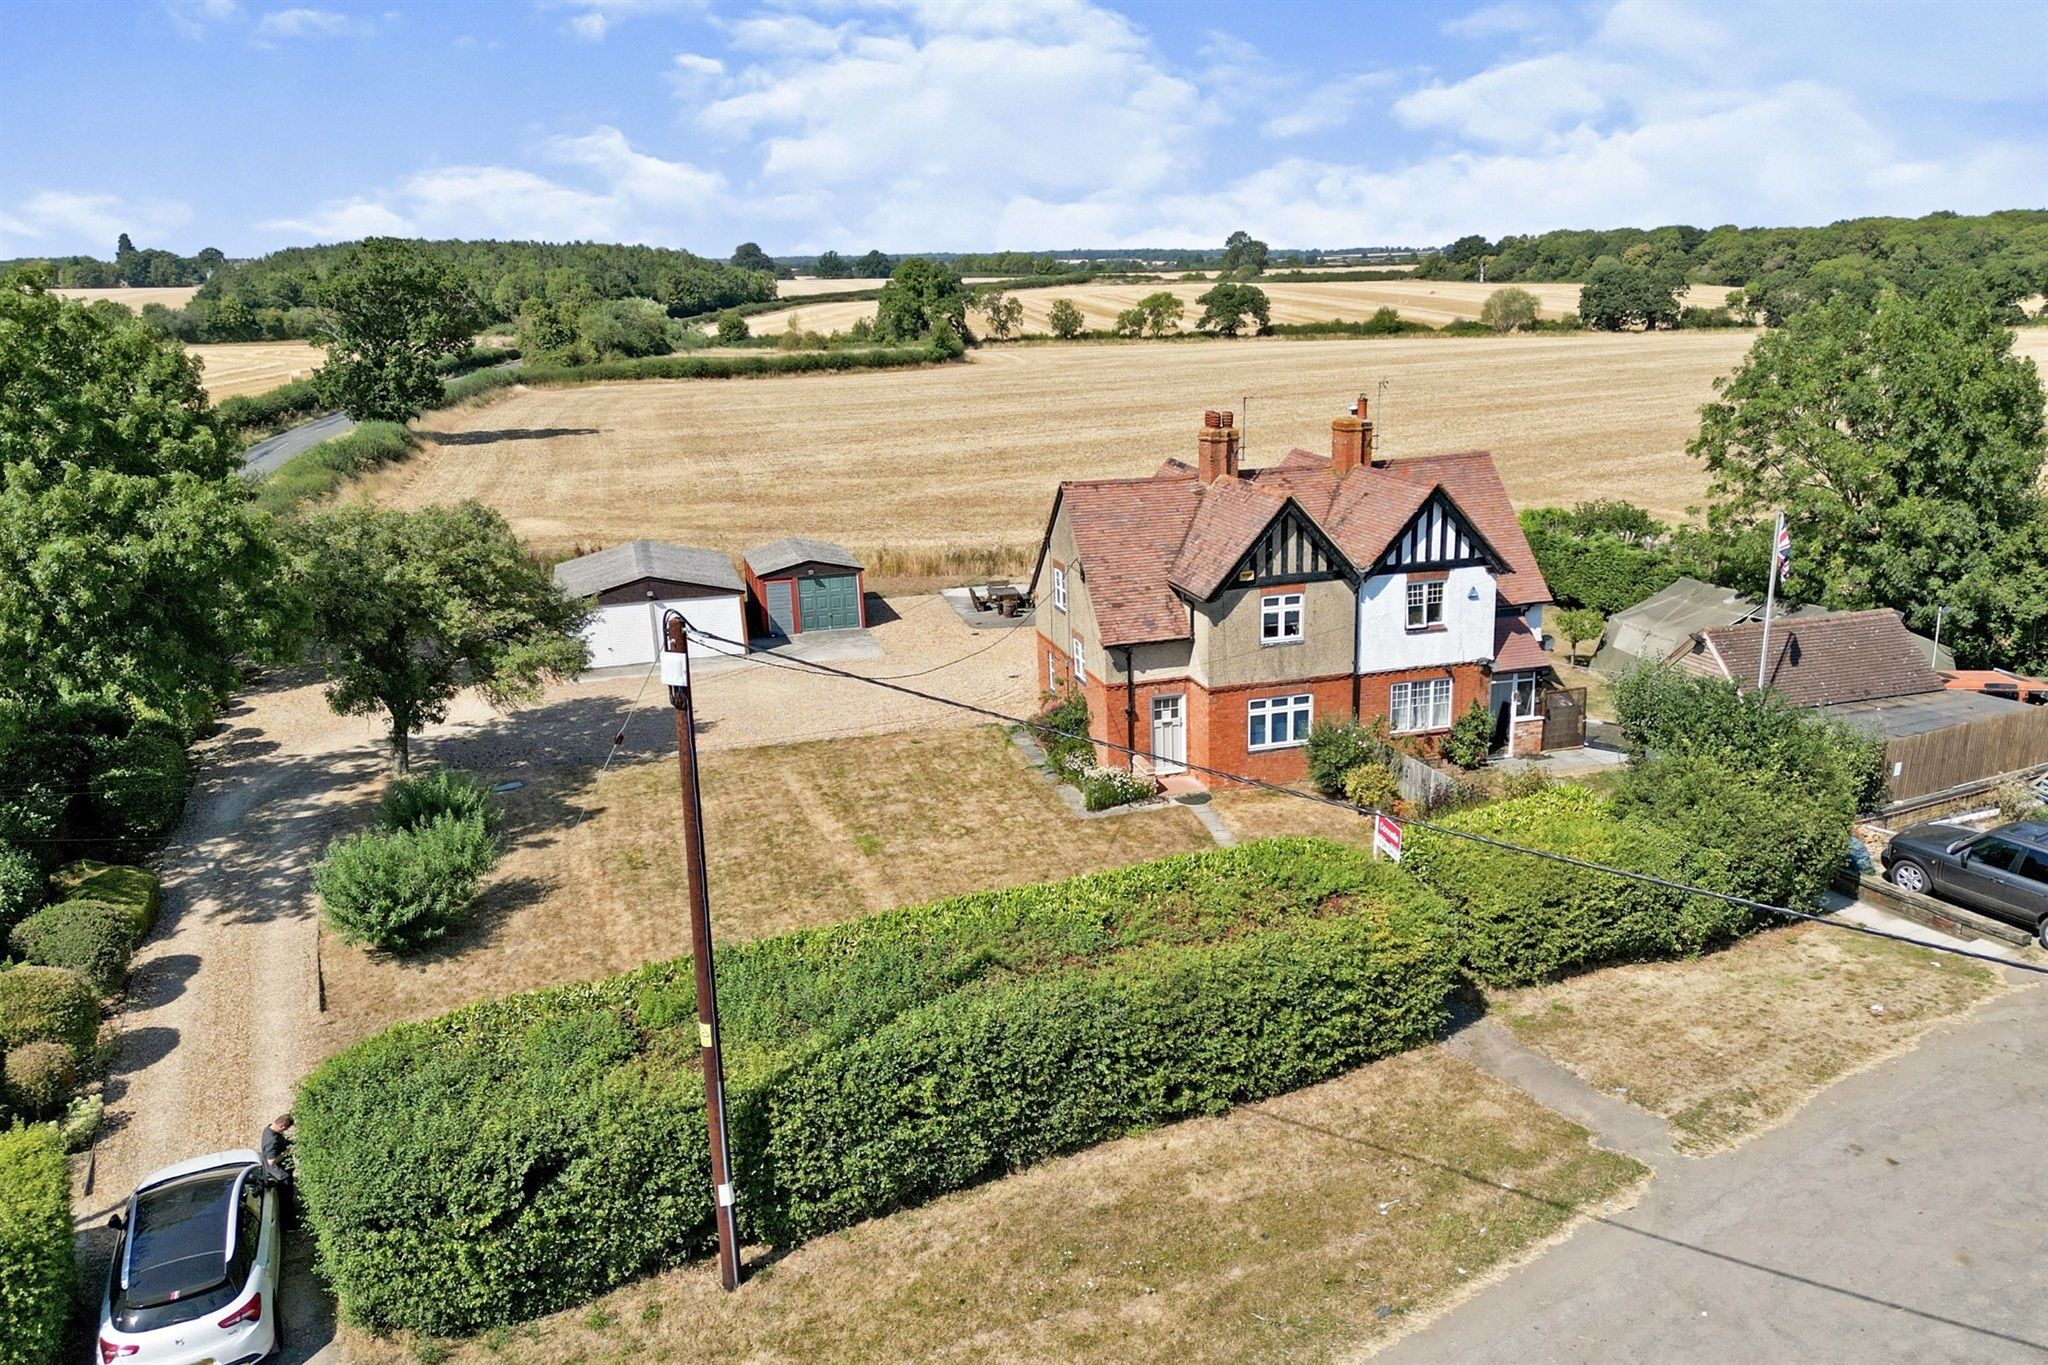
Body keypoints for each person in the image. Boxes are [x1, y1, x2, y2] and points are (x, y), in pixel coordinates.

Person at [259, 1113, 294, 1187]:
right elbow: (271, 1161)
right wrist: (286, 1152)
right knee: (286, 1196)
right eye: (285, 1129)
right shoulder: (272, 1140)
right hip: (281, 1175)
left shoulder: (268, 1129)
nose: (284, 1131)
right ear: (281, 1126)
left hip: (279, 1173)